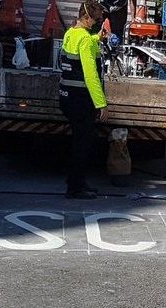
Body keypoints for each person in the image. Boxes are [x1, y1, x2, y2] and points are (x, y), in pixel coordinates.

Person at [59, 0, 108, 199]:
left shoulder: (71, 33)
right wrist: (101, 104)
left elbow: (80, 48)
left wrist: (97, 38)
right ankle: (75, 188)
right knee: (83, 144)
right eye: (96, 20)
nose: (98, 23)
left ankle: (75, 181)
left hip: (67, 97)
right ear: (87, 17)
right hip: (82, 101)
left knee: (78, 142)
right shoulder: (85, 40)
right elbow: (90, 75)